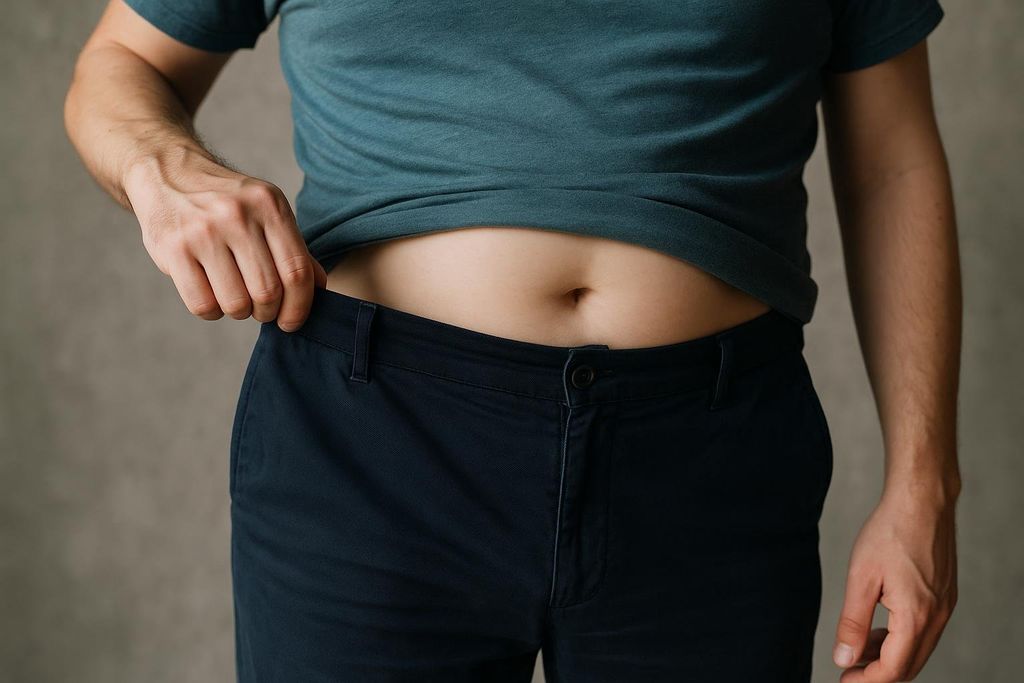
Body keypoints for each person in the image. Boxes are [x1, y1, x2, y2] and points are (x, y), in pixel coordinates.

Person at [64, 0, 961, 681]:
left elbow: (894, 156)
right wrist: (160, 166)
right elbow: (122, 62)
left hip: (710, 458)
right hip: (374, 448)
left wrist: (925, 480)